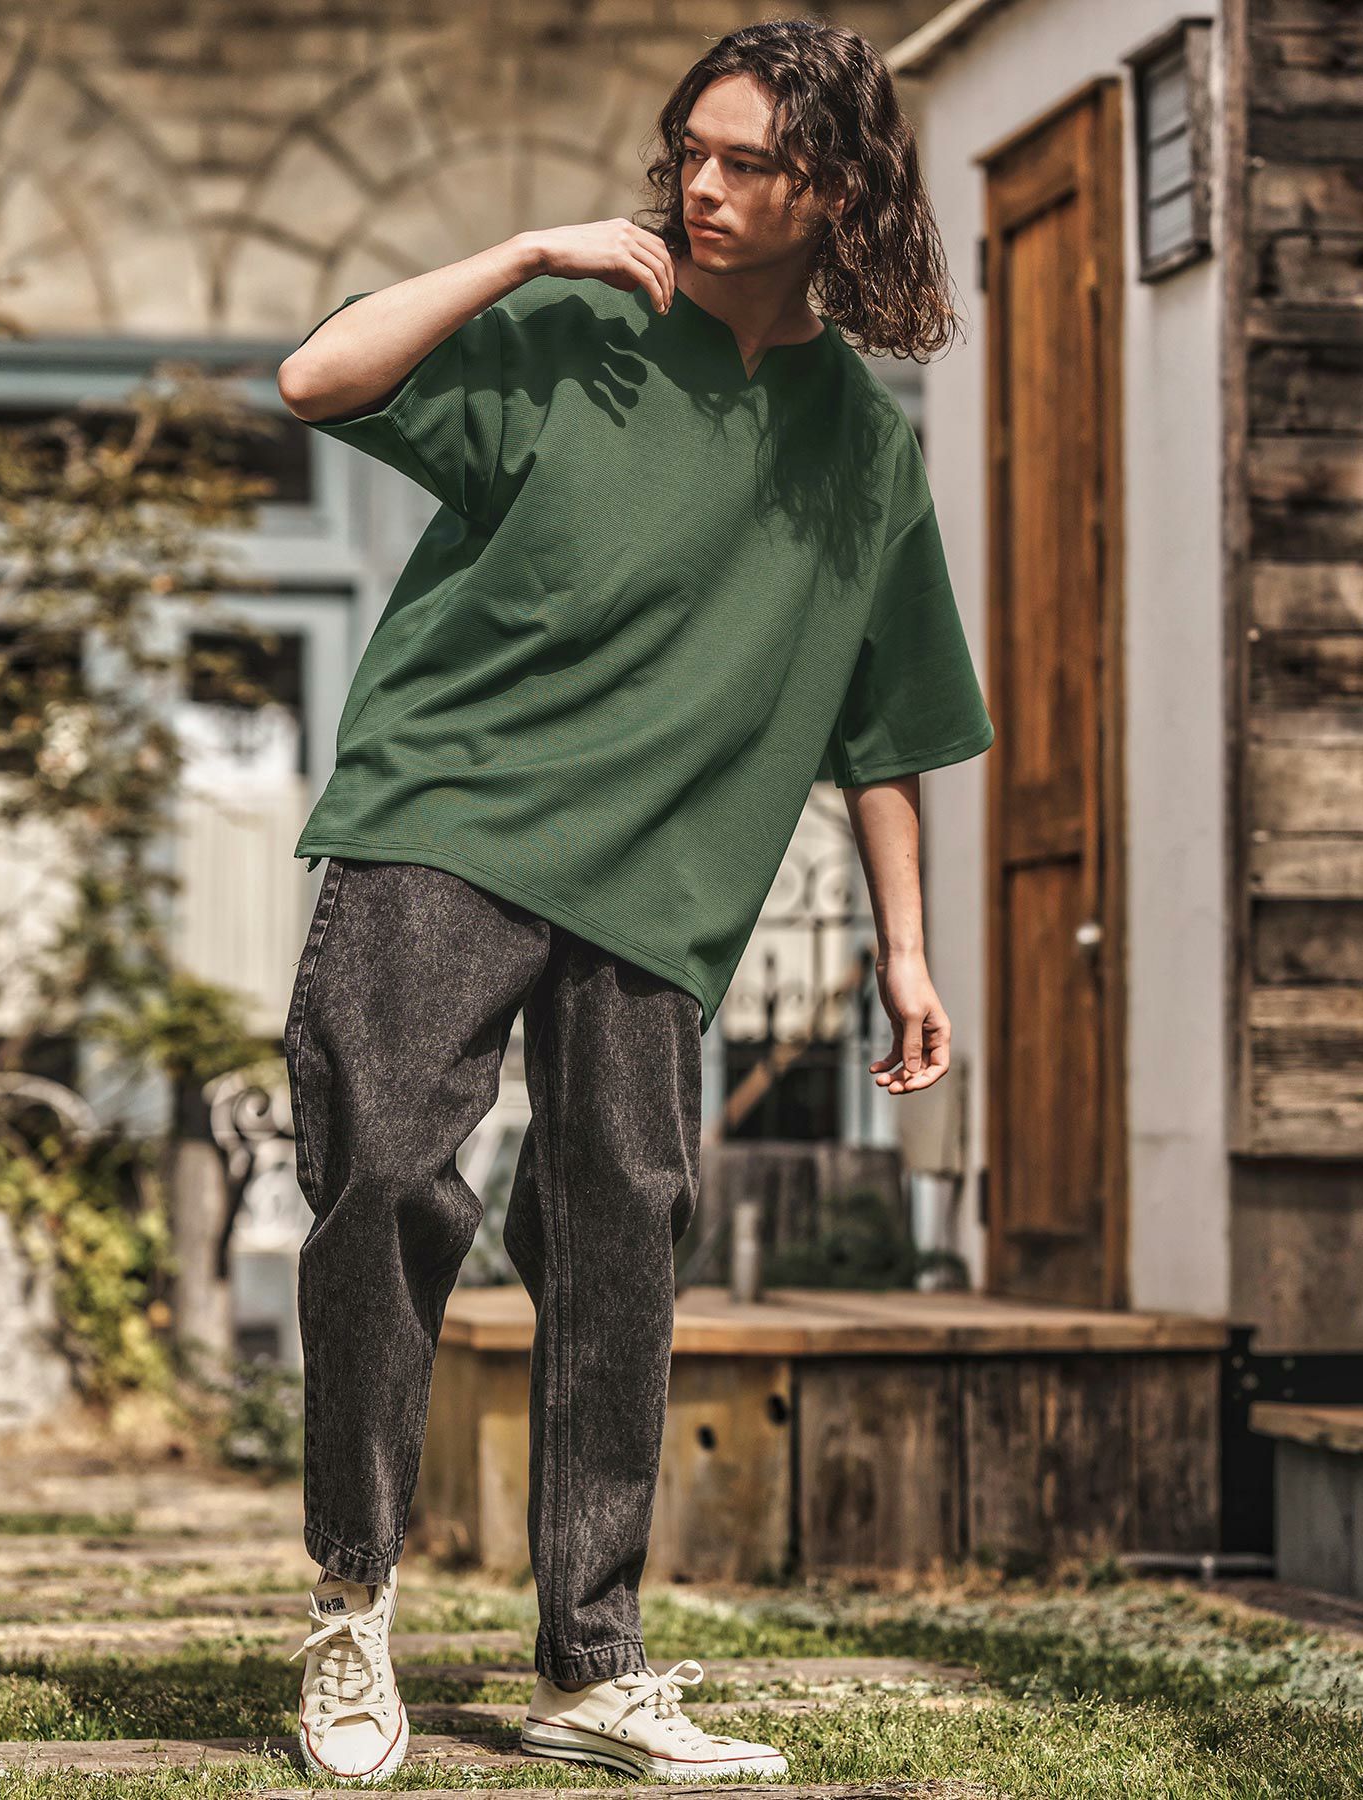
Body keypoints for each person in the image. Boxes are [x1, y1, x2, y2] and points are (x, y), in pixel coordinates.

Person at [276, 15, 992, 1786]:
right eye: (691, 151)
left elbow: (886, 726)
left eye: (750, 161)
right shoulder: (576, 330)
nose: (702, 185)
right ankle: (351, 1605)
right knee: (384, 1176)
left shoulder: (864, 451)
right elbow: (315, 380)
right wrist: (527, 249)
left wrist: (909, 953)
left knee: (620, 1244)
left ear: (840, 191)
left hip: (662, 880)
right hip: (447, 818)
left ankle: (591, 1664)